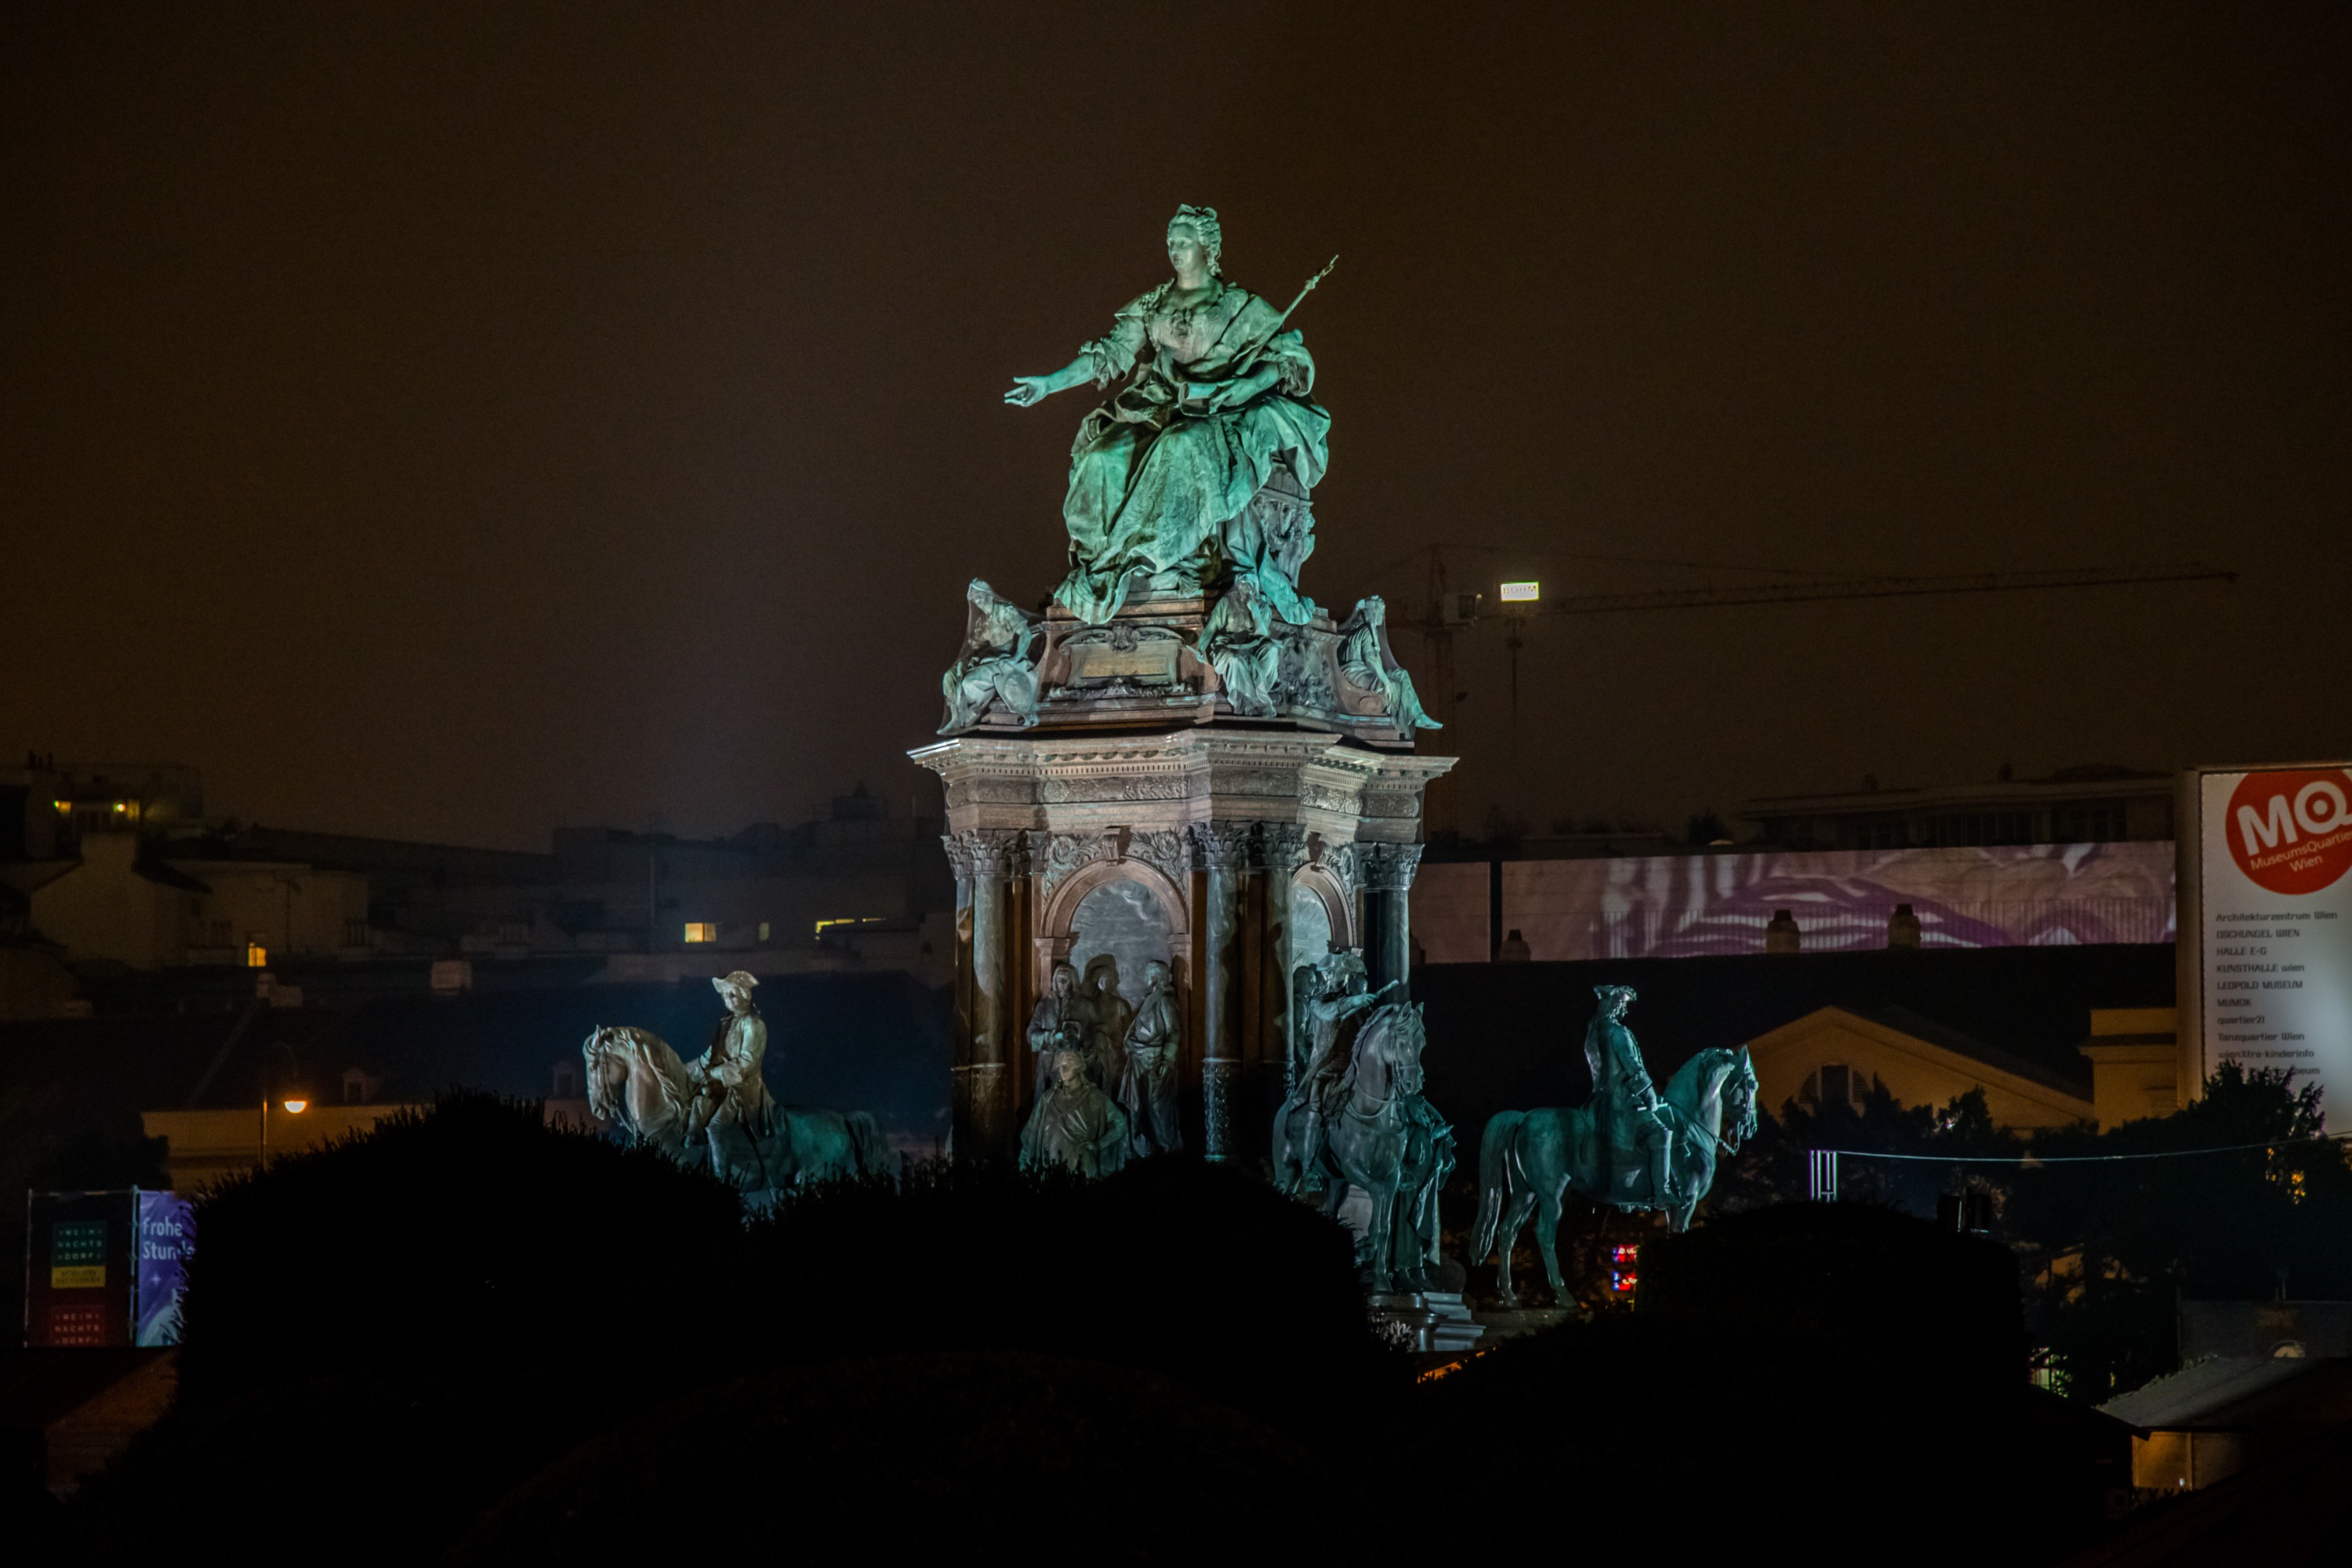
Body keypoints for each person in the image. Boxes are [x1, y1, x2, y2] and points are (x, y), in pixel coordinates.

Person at [1004, 206, 1330, 625]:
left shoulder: (1239, 306)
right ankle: (1106, 570)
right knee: (1099, 459)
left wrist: (1247, 386)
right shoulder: (1154, 303)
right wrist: (1050, 383)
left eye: (1183, 242)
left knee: (1178, 449)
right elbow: (1109, 355)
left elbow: (1288, 361)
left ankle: (1148, 561)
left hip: (1215, 415)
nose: (1174, 250)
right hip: (1155, 408)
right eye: (1171, 242)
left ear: (1206, 248)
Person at [1292, 953, 1396, 1173]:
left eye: (1348, 976)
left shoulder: (1356, 1000)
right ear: (1328, 975)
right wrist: (1354, 1001)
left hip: (1354, 1066)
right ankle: (1309, 1165)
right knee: (1316, 1104)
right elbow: (1330, 1013)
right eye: (1341, 974)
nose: (1345, 979)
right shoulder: (1317, 1002)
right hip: (1327, 1066)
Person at [1583, 985, 1676, 1210]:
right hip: (1623, 1101)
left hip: (1601, 1100)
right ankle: (1662, 1192)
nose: (1625, 1008)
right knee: (1661, 1133)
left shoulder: (1595, 1029)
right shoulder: (1617, 1032)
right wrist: (1651, 1097)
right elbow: (1634, 1068)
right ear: (1614, 1006)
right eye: (1623, 1003)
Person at [686, 970, 776, 1151]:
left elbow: (747, 1061)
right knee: (694, 1106)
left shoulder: (753, 1024)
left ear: (745, 996)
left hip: (741, 1088)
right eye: (725, 995)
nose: (728, 999)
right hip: (719, 1084)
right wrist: (685, 1071)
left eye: (732, 994)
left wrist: (716, 1073)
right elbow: (709, 1056)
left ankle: (722, 1176)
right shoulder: (725, 1024)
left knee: (716, 1128)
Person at [939, 579, 1041, 732]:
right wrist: (970, 659)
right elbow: (978, 648)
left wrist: (1016, 657)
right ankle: (956, 718)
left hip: (1005, 661)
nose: (976, 600)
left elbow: (1025, 634)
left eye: (979, 596)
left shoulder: (1005, 611)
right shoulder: (982, 621)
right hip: (987, 660)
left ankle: (972, 713)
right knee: (950, 677)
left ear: (989, 595)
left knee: (969, 683)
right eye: (974, 597)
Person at [1019, 1045, 1131, 1177]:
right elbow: (1030, 1134)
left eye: (1068, 1065)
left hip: (1082, 1166)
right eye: (1061, 1065)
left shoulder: (1095, 1097)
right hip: (1049, 1167)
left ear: (1078, 1068)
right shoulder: (1048, 1098)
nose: (1063, 1069)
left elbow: (1120, 1124)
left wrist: (1099, 1145)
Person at [1338, 595, 1439, 735]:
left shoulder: (1358, 629)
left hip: (1357, 670)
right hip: (1355, 672)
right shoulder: (1366, 631)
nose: (1380, 617)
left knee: (1402, 675)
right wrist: (1386, 682)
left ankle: (1416, 714)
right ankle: (1400, 726)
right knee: (1392, 687)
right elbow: (1371, 659)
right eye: (1379, 612)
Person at [1119, 960, 1183, 1157]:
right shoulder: (1151, 998)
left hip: (1155, 1062)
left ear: (1156, 977)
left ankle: (1166, 1149)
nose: (1145, 978)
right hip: (1139, 1060)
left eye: (1148, 974)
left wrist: (1168, 1059)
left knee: (1158, 1108)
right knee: (1142, 1107)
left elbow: (1174, 1031)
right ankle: (1146, 1150)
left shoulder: (1165, 999)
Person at [1026, 962, 1090, 1102]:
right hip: (1049, 1062)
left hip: (1072, 1061)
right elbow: (1030, 1035)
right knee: (1047, 1102)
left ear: (1072, 982)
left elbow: (1092, 1033)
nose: (1061, 983)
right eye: (1058, 979)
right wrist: (1050, 1037)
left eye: (1065, 980)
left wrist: (1079, 1039)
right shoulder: (1044, 1005)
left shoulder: (1083, 1005)